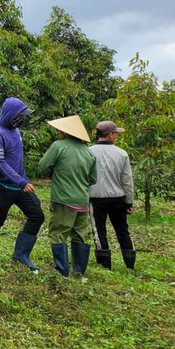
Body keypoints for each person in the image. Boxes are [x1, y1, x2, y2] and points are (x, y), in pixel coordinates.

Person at [0, 97, 44, 272]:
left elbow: (18, 158)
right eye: (20, 115)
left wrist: (23, 178)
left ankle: (21, 255)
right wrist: (21, 181)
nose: (22, 119)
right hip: (1, 186)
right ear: (10, 114)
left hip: (19, 184)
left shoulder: (15, 131)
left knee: (37, 215)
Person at [36, 115, 98, 278]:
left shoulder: (59, 146)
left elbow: (42, 167)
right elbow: (93, 179)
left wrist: (55, 173)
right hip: (83, 201)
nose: (58, 132)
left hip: (63, 199)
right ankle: (78, 271)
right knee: (80, 235)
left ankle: (62, 270)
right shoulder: (88, 152)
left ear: (64, 132)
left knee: (58, 233)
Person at [89, 121, 136, 270]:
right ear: (109, 134)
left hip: (96, 198)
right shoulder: (122, 153)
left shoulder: (88, 152)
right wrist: (129, 202)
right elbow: (127, 180)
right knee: (122, 230)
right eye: (115, 133)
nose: (116, 136)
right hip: (118, 198)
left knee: (99, 231)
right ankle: (130, 265)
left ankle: (105, 266)